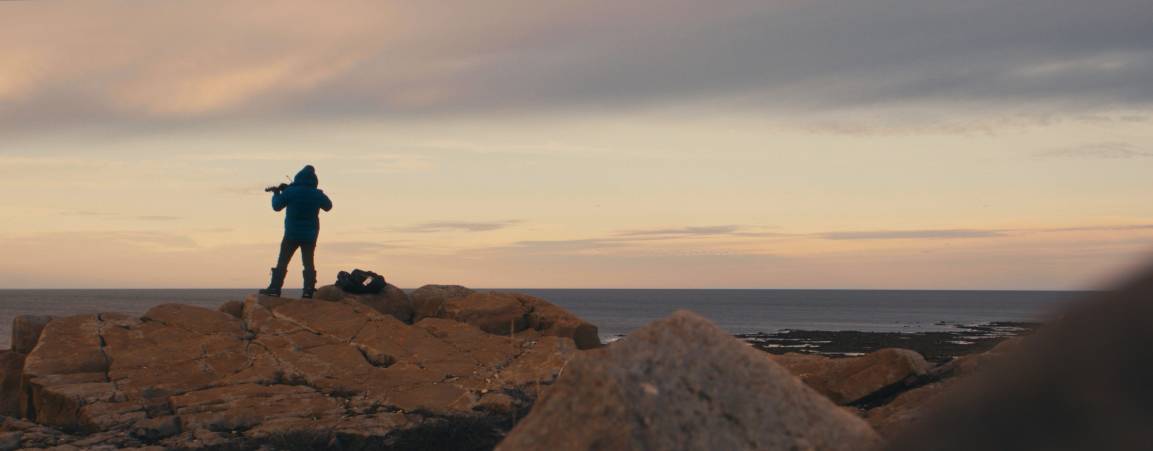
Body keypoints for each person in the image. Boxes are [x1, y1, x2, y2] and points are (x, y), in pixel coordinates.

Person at [259, 165, 333, 298]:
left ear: (298, 177)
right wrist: (318, 193)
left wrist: (277, 193)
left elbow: (276, 206)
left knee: (283, 261)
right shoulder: (316, 194)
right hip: (310, 236)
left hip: (291, 234)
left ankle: (275, 288)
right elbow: (328, 206)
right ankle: (308, 291)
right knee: (308, 262)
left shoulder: (290, 191)